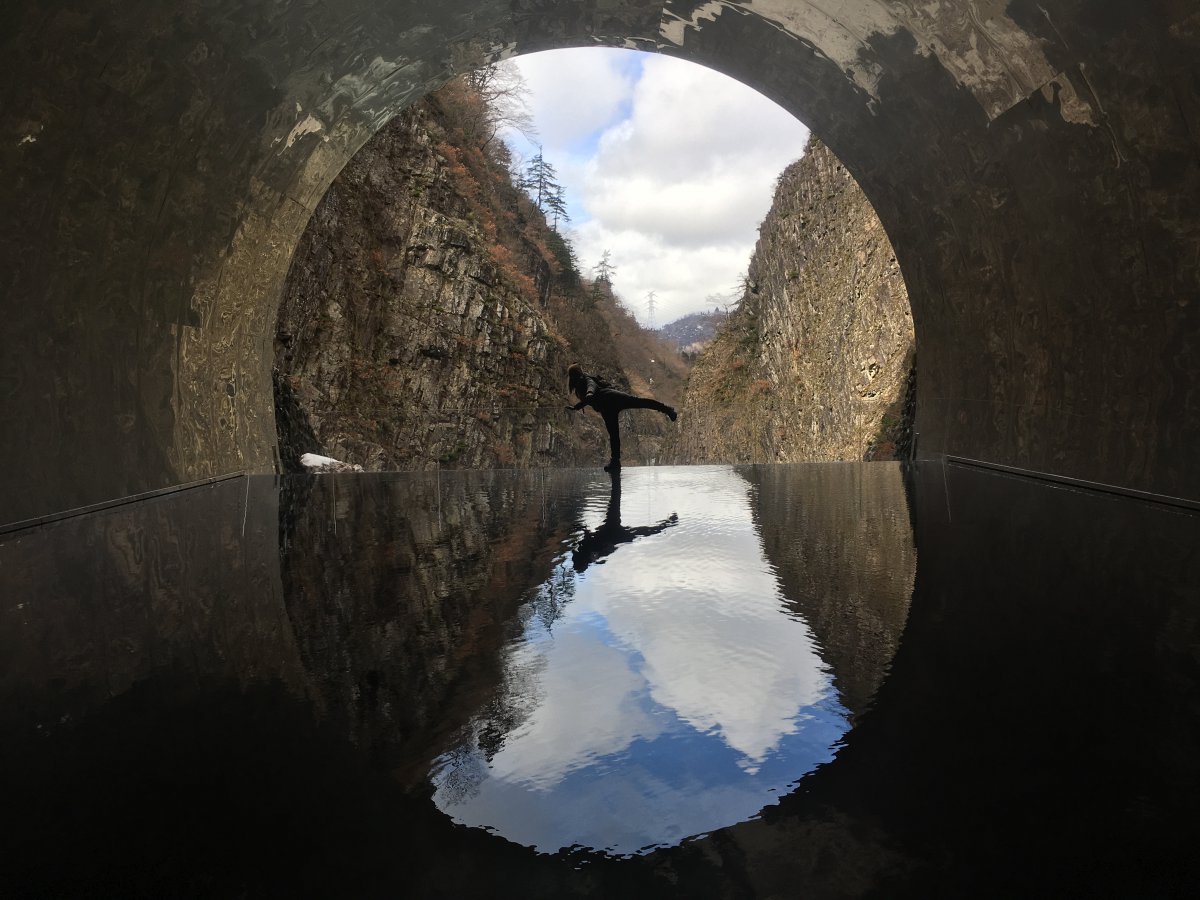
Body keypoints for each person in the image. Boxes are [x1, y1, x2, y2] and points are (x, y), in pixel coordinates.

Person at [566, 363, 676, 471]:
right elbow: (587, 399)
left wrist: (589, 393)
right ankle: (615, 462)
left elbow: (591, 386)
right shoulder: (579, 385)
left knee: (639, 402)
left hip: (611, 398)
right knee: (613, 434)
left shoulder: (585, 379)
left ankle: (667, 409)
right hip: (606, 407)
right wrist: (576, 407)